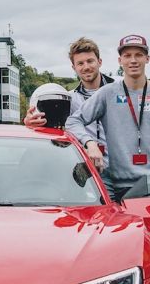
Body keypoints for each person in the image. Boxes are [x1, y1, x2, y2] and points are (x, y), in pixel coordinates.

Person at [65, 34, 150, 200]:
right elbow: (73, 121)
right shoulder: (108, 93)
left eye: (138, 55)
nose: (133, 60)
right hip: (117, 187)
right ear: (120, 60)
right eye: (127, 56)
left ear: (147, 59)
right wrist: (90, 144)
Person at [24, 37, 116, 192]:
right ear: (73, 67)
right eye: (80, 63)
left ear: (100, 62)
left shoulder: (119, 92)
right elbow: (50, 127)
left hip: (122, 172)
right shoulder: (67, 99)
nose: (86, 67)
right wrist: (28, 122)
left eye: (90, 61)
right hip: (88, 174)